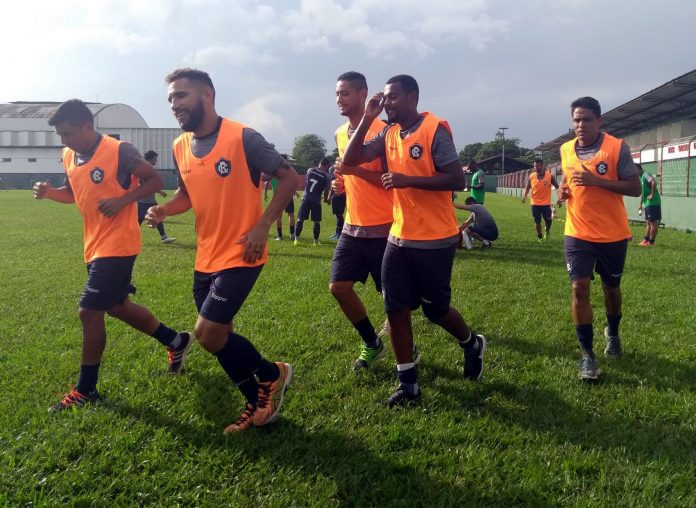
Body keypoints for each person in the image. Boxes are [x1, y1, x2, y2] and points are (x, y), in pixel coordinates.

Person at [146, 68, 297, 433]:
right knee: (219, 337)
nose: (174, 104)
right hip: (206, 256)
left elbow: (291, 178)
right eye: (170, 99)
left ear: (207, 96)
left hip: (243, 252)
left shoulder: (242, 137)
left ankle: (270, 374)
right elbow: (187, 195)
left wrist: (263, 225)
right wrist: (166, 209)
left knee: (208, 333)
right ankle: (258, 398)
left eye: (180, 96)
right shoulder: (180, 145)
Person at [33, 99, 192, 412]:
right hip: (93, 245)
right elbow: (73, 194)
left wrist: (123, 201)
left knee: (88, 312)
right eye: (60, 136)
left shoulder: (119, 151)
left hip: (118, 245)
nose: (64, 141)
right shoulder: (69, 155)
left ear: (88, 127)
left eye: (68, 133)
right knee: (118, 307)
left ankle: (85, 390)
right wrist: (51, 193)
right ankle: (176, 341)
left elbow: (155, 180)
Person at [343, 74, 486, 407]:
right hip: (399, 237)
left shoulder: (433, 129)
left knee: (436, 311)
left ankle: (471, 344)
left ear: (412, 98)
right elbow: (351, 161)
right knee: (395, 309)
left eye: (393, 98)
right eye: (385, 98)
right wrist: (367, 118)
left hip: (435, 238)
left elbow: (456, 178)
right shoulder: (388, 132)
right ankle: (408, 385)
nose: (387, 103)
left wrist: (408, 179)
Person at [557, 96, 641, 380]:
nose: (581, 125)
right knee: (579, 288)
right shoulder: (566, 150)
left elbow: (634, 187)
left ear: (599, 121)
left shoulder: (616, 148)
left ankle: (613, 334)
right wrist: (563, 192)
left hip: (612, 234)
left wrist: (598, 182)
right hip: (578, 232)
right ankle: (587, 357)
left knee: (611, 288)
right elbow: (568, 181)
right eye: (576, 120)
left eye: (587, 119)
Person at [329, 71, 396, 371]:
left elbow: (389, 181)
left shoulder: (384, 131)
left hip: (385, 227)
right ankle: (372, 342)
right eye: (336, 94)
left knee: (393, 298)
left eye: (344, 93)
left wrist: (354, 172)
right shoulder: (340, 133)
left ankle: (406, 347)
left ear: (362, 94)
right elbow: (344, 173)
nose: (339, 99)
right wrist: (339, 184)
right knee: (338, 287)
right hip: (352, 226)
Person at [137, 150, 176, 244]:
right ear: (151, 159)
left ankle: (164, 237)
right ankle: (129, 237)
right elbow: (146, 184)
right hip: (145, 200)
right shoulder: (146, 168)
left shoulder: (146, 167)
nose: (156, 161)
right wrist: (160, 191)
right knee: (139, 220)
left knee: (150, 218)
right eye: (155, 159)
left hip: (147, 200)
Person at [294, 158, 330, 245]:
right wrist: (325, 199)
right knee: (316, 221)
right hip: (316, 201)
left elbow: (307, 181)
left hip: (306, 198)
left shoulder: (310, 170)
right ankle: (315, 242)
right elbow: (326, 190)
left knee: (300, 219)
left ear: (320, 163)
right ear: (326, 165)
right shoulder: (326, 176)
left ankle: (296, 240)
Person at [522, 158, 559, 240]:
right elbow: (528, 187)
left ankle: (547, 230)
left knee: (548, 221)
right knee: (537, 222)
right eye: (535, 166)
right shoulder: (531, 176)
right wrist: (524, 196)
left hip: (546, 204)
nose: (536, 168)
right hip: (534, 203)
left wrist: (559, 198)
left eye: (538, 166)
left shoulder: (550, 176)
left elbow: (557, 187)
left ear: (542, 166)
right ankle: (540, 237)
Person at [264, 155, 298, 241]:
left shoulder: (273, 170)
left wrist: (265, 193)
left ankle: (280, 236)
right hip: (288, 195)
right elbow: (292, 183)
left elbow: (266, 182)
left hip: (277, 197)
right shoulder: (289, 171)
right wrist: (294, 192)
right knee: (291, 214)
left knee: (278, 216)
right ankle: (292, 235)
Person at [637, 163, 661, 246]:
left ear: (637, 169)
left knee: (653, 222)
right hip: (647, 203)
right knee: (648, 222)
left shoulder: (646, 174)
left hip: (653, 202)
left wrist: (652, 195)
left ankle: (651, 242)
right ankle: (646, 240)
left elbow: (653, 182)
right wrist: (640, 205)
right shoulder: (642, 177)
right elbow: (643, 193)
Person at [327, 163, 347, 241]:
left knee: (339, 215)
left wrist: (329, 196)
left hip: (337, 195)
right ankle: (337, 232)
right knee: (339, 215)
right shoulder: (344, 167)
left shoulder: (332, 169)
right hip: (344, 194)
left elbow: (334, 184)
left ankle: (339, 234)